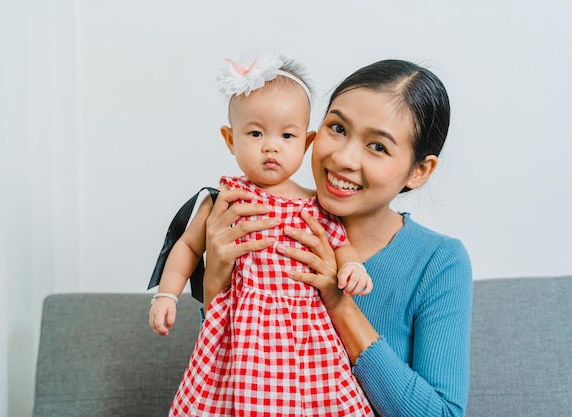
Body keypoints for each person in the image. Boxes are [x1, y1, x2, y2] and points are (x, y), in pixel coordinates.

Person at [202, 59, 473, 417]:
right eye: (337, 128)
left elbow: (442, 414)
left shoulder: (438, 261)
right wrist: (213, 280)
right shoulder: (255, 223)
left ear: (420, 170)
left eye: (377, 146)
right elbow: (226, 379)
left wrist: (339, 302)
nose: (343, 158)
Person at [149, 51, 374, 416]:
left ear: (306, 142)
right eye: (255, 133)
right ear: (230, 139)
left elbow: (342, 246)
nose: (271, 146)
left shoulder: (317, 206)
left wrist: (353, 268)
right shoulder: (222, 200)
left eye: (287, 135)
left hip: (306, 334)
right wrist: (166, 295)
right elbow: (187, 247)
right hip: (240, 335)